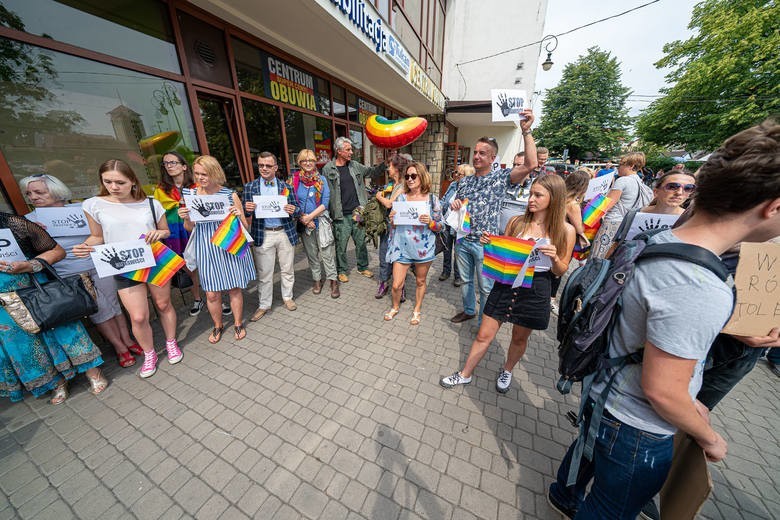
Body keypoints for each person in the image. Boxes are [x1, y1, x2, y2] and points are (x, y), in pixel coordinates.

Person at [547, 119, 780, 519]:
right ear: (773, 206)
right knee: (609, 510)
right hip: (636, 426)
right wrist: (709, 437)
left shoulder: (658, 240)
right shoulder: (698, 284)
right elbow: (664, 391)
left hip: (605, 392)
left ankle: (563, 495)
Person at [440, 174, 575, 392]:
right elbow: (503, 252)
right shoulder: (517, 222)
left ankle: (507, 370)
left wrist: (555, 257)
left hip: (537, 286)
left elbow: (561, 270)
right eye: (531, 193)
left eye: (538, 195)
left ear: (554, 197)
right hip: (507, 282)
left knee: (519, 338)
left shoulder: (565, 230)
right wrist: (490, 243)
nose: (531, 199)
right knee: (484, 334)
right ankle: (465, 374)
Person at [74, 159, 181, 379]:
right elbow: (97, 236)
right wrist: (86, 246)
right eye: (108, 182)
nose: (114, 187)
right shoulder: (93, 204)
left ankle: (171, 342)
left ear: (132, 181)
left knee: (163, 304)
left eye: (120, 182)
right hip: (123, 263)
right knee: (139, 316)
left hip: (154, 258)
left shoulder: (151, 203)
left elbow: (166, 231)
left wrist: (158, 234)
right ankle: (150, 353)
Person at [21, 174, 141, 368]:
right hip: (69, 272)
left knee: (113, 304)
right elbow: (29, 252)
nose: (33, 197)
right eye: (29, 193)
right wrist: (35, 235)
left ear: (56, 191)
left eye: (39, 192)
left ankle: (128, 341)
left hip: (101, 263)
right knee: (97, 309)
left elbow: (103, 232)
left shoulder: (82, 208)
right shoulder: (29, 221)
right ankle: (120, 347)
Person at [0, 213, 108, 404]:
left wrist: (28, 265)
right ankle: (56, 382)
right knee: (26, 343)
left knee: (63, 329)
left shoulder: (12, 223)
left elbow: (57, 252)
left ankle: (92, 369)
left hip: (35, 291)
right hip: (4, 304)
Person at [449, 109, 538, 325]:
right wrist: (455, 205)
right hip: (462, 241)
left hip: (484, 243)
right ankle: (469, 310)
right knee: (465, 282)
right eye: (476, 152)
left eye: (482, 153)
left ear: (492, 158)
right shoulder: (465, 181)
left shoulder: (501, 178)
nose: (477, 156)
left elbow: (530, 165)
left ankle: (483, 324)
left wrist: (526, 131)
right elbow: (459, 209)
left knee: (486, 288)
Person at [179, 155, 255, 343]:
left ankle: (237, 323)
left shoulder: (229, 195)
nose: (200, 178)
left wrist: (239, 215)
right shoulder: (191, 195)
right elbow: (189, 228)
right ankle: (218, 325)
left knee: (234, 288)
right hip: (206, 247)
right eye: (196, 174)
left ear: (214, 172)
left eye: (204, 174)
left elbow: (245, 226)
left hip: (229, 244)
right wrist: (186, 218)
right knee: (211, 293)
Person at [154, 151, 226, 317]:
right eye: (166, 163)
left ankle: (218, 300)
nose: (169, 166)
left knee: (210, 266)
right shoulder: (161, 190)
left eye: (173, 162)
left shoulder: (196, 186)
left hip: (197, 229)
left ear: (184, 166)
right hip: (175, 233)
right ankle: (197, 298)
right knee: (189, 267)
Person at [383, 162, 444, 325]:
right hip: (402, 247)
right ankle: (395, 307)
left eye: (413, 176)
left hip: (423, 249)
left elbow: (440, 227)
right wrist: (392, 220)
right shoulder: (401, 198)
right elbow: (394, 225)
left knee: (420, 281)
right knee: (396, 284)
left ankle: (417, 309)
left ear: (422, 177)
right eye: (407, 176)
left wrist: (431, 222)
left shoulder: (432, 200)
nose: (409, 179)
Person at [243, 152, 301, 321]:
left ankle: (287, 297)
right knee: (264, 273)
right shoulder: (250, 187)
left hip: (284, 232)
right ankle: (264, 304)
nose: (264, 169)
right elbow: (245, 211)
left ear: (275, 168)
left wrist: (293, 210)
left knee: (287, 269)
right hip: (264, 234)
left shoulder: (286, 187)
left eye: (268, 166)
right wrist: (247, 208)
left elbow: (297, 209)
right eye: (261, 165)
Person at [322, 137, 387, 283]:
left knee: (361, 242)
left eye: (351, 149)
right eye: (348, 149)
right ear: (339, 151)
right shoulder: (328, 169)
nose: (351, 152)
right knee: (341, 245)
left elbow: (372, 172)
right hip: (340, 215)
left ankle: (362, 267)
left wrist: (385, 164)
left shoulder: (355, 166)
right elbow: (325, 192)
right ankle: (342, 271)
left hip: (358, 212)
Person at [292, 149, 339, 299]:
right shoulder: (294, 180)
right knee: (312, 255)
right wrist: (303, 219)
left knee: (327, 254)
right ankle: (317, 280)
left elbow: (325, 203)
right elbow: (292, 202)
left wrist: (310, 217)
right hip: (305, 223)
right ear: (299, 162)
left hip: (321, 222)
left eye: (311, 160)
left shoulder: (322, 180)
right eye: (304, 160)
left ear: (315, 162)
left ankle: (333, 281)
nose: (308, 163)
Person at [589, 152, 651, 259]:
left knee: (598, 257)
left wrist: (590, 205)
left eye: (621, 165)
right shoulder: (641, 184)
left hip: (612, 224)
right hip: (627, 225)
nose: (618, 168)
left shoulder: (623, 181)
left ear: (631, 166)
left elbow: (606, 204)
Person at [375, 153, 410, 298]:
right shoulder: (391, 185)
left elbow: (390, 203)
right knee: (384, 254)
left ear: (396, 168)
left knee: (398, 257)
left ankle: (400, 286)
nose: (387, 169)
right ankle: (384, 282)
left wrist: (378, 196)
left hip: (398, 228)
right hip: (386, 225)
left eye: (389, 166)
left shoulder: (403, 185)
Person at [438, 163, 473, 285]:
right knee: (446, 249)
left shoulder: (470, 189)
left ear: (466, 176)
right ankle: (446, 271)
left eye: (458, 173)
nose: (455, 175)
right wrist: (438, 208)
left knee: (458, 251)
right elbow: (443, 200)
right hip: (447, 223)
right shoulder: (453, 185)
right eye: (455, 172)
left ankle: (458, 276)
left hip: (459, 226)